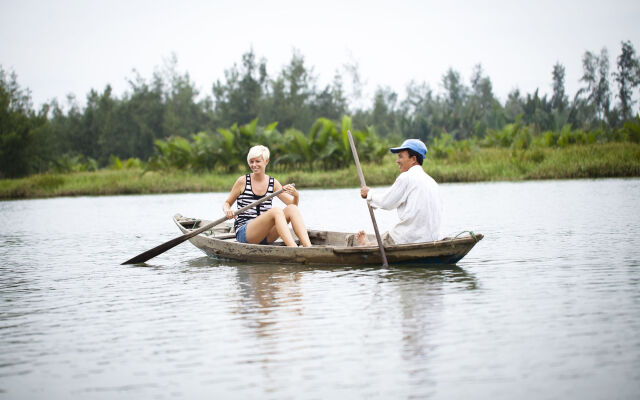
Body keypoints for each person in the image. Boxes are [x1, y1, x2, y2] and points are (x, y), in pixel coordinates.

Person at [352, 138, 443, 246]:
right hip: (432, 239)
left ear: (413, 159)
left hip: (409, 238)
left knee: (381, 242)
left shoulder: (407, 177)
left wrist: (369, 194)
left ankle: (366, 245)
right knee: (388, 236)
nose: (397, 161)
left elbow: (386, 202)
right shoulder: (432, 182)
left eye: (400, 156)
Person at [223, 145, 312, 247]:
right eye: (251, 162)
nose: (254, 165)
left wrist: (296, 195)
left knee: (291, 209)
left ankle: (308, 248)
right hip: (246, 233)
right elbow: (227, 203)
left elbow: (293, 206)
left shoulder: (272, 183)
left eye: (257, 161)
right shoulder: (242, 181)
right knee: (276, 211)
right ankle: (294, 249)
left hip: (267, 235)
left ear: (266, 161)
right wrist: (227, 210)